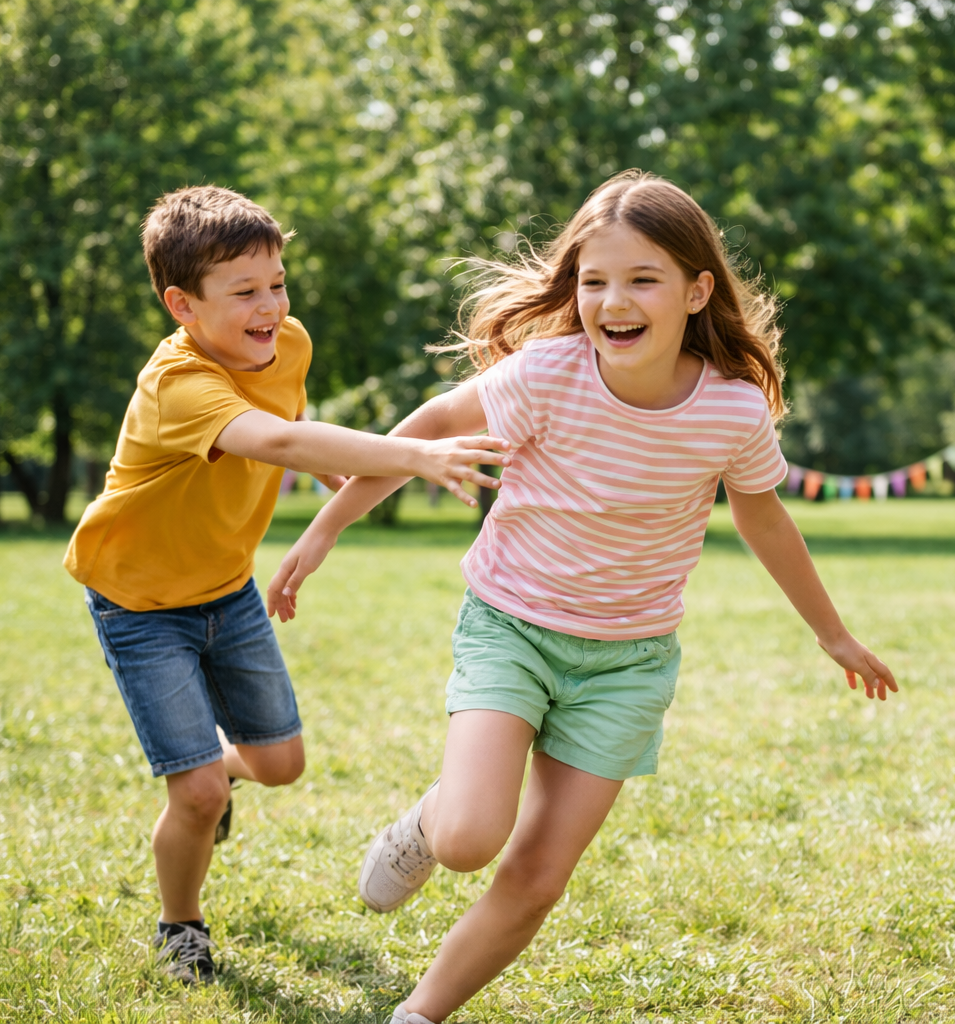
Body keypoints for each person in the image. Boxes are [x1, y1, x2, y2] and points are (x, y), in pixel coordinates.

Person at [265, 171, 898, 1024]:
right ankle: (428, 820)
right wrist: (329, 526)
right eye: (594, 281)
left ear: (696, 289)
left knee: (535, 878)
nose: (613, 301)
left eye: (642, 279)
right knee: (467, 840)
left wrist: (833, 634)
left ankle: (418, 1015)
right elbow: (425, 429)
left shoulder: (731, 410)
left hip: (627, 665)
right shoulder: (548, 373)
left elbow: (764, 518)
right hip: (512, 629)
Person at [63, 185, 507, 984]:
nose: (270, 305)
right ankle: (180, 925)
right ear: (182, 305)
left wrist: (335, 467)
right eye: (245, 293)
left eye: (277, 283)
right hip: (139, 606)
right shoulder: (179, 385)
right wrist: (410, 455)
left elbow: (291, 431)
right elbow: (270, 435)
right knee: (194, 793)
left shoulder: (286, 343)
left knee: (280, 764)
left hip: (226, 590)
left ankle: (219, 773)